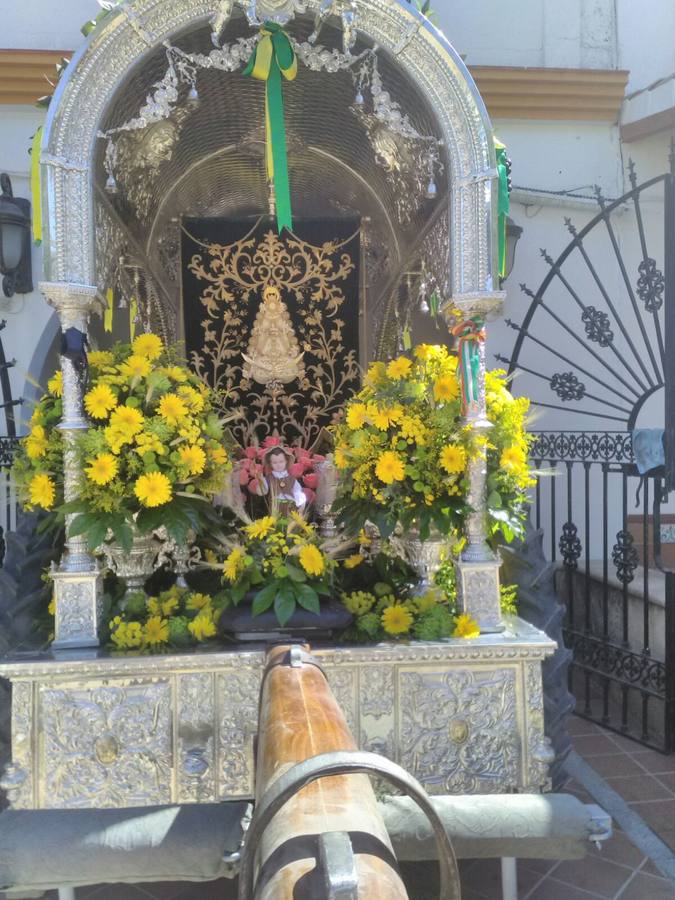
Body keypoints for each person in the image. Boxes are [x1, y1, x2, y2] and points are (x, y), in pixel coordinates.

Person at [257, 445, 307, 516]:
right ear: (270, 464)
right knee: (277, 525)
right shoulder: (269, 478)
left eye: (281, 461)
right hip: (275, 510)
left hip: (291, 510)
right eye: (275, 463)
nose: (278, 465)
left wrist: (302, 507)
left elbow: (299, 493)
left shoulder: (292, 479)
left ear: (286, 461)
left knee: (290, 525)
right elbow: (262, 492)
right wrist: (261, 482)